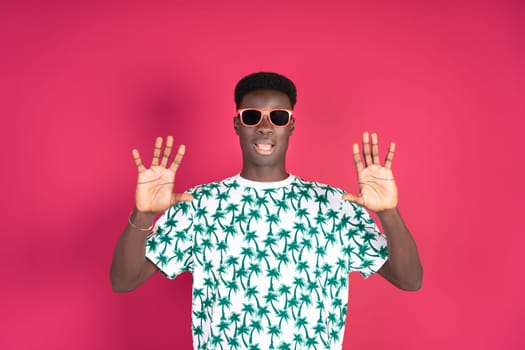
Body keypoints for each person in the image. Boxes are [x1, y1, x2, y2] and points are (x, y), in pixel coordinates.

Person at [110, 72, 422, 350]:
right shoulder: (198, 205)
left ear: (292, 125)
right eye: (251, 116)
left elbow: (409, 280)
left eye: (278, 117)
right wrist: (144, 216)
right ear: (236, 124)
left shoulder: (336, 205)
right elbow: (124, 281)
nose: (264, 127)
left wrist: (389, 214)